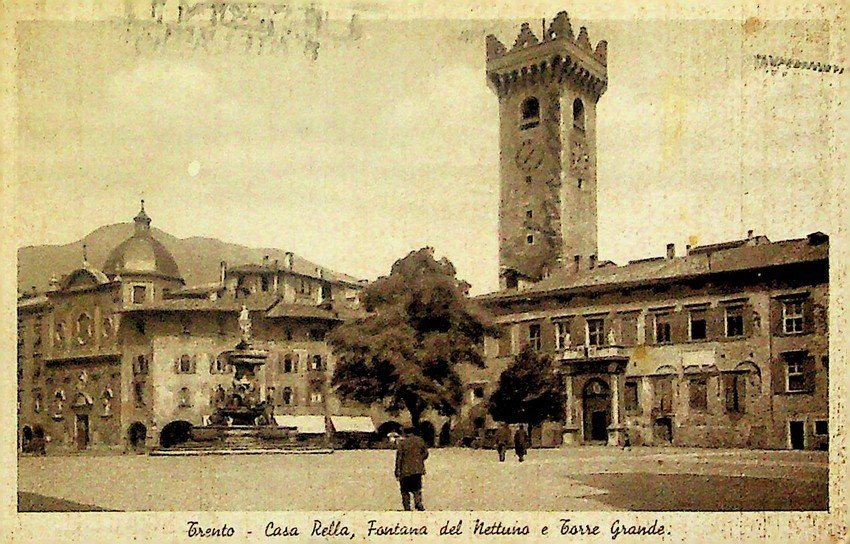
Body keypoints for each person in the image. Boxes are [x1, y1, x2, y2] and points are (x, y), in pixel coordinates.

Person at [394, 427, 429, 511]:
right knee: (417, 488)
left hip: (405, 470)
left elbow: (399, 458)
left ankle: (407, 506)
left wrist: (397, 470)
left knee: (405, 490)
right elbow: (426, 453)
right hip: (417, 469)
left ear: (405, 433)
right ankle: (418, 503)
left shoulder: (402, 443)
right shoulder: (420, 440)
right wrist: (419, 460)